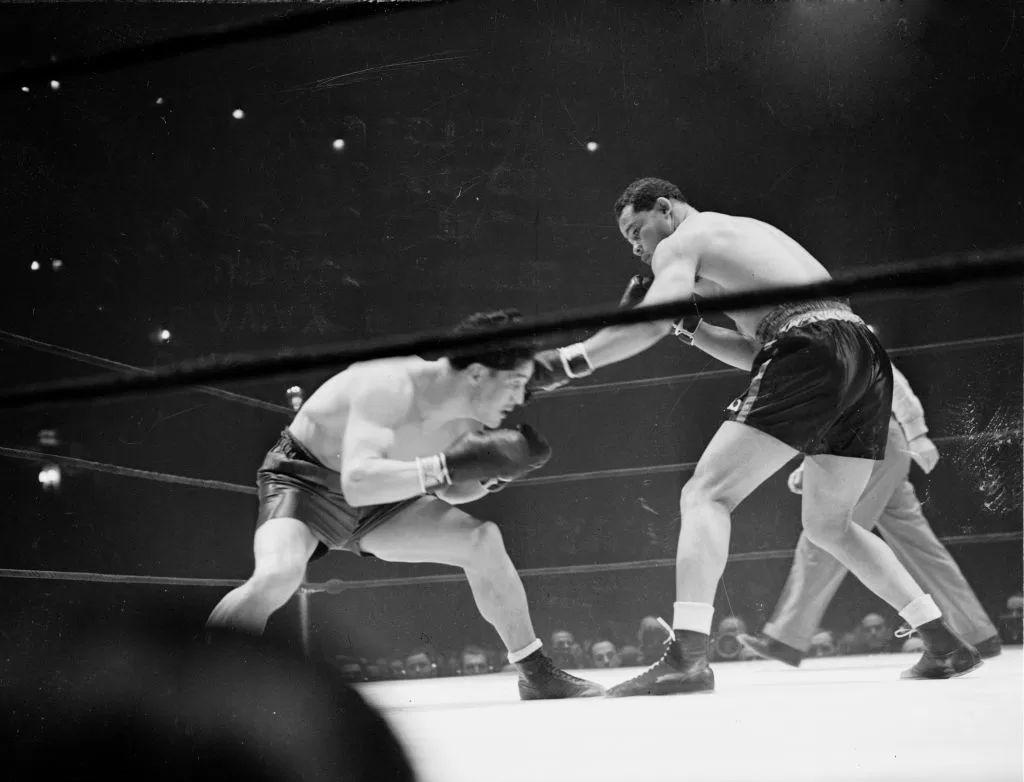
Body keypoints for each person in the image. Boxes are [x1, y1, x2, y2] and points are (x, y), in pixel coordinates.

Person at [528, 177, 981, 696]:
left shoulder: (683, 241)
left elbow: (654, 325)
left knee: (705, 493)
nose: (636, 246)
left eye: (637, 229)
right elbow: (760, 352)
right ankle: (943, 641)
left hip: (810, 347)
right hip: (861, 353)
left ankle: (689, 658)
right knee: (831, 525)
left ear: (665, 208)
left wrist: (567, 361)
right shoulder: (747, 236)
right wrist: (690, 327)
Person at [208, 309, 604, 700]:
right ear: (478, 373)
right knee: (276, 576)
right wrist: (446, 466)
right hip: (306, 482)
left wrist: (489, 477)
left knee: (483, 540)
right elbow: (359, 481)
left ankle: (536, 674)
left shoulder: (468, 420)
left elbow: (449, 490)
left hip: (387, 497)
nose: (520, 397)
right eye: (515, 382)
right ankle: (201, 680)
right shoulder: (390, 382)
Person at [738, 365, 1001, 665]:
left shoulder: (827, 336)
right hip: (875, 443)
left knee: (824, 535)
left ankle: (786, 637)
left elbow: (891, 381)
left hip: (864, 444)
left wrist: (919, 434)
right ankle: (978, 632)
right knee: (920, 545)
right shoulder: (820, 341)